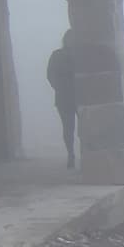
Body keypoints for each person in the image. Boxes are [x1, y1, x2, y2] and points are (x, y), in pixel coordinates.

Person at [46, 30, 77, 169]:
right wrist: (59, 87)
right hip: (64, 97)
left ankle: (84, 153)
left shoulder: (80, 55)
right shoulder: (57, 55)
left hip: (79, 96)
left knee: (84, 128)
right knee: (68, 128)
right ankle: (71, 154)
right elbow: (50, 74)